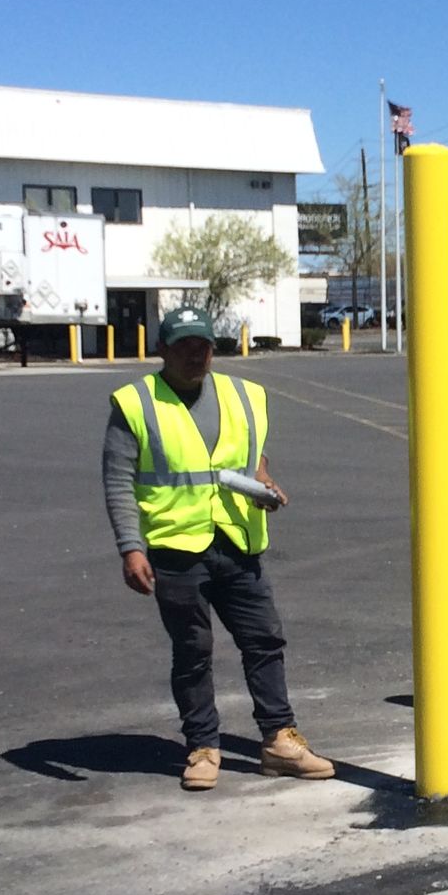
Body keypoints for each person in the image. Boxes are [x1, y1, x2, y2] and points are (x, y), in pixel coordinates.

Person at [103, 306, 334, 790]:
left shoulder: (244, 394)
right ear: (163, 350)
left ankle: (279, 740)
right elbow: (119, 481)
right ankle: (203, 746)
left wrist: (263, 479)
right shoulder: (136, 403)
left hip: (237, 540)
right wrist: (131, 548)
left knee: (264, 641)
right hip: (174, 547)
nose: (196, 354)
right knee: (192, 651)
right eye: (184, 346)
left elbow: (253, 455)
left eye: (203, 346)